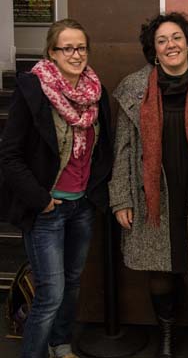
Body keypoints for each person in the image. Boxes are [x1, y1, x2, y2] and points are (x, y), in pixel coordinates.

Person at [109, 12, 188, 358]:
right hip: (152, 196)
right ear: (154, 50)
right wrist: (121, 199)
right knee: (159, 271)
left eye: (177, 37)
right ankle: (166, 337)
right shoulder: (135, 89)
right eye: (162, 40)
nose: (170, 45)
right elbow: (122, 150)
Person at [0, 18, 113, 358]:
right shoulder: (33, 91)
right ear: (51, 52)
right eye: (67, 48)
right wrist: (41, 200)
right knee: (50, 294)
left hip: (81, 207)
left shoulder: (96, 93)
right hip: (46, 210)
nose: (76, 55)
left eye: (81, 47)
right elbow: (9, 155)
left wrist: (94, 193)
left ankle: (60, 345)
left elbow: (103, 149)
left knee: (73, 283)